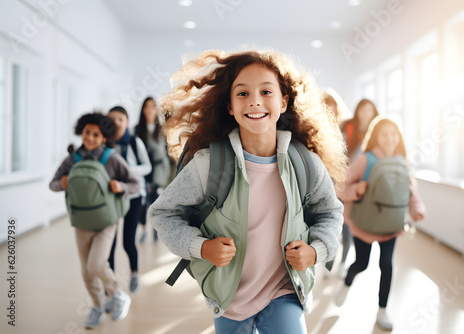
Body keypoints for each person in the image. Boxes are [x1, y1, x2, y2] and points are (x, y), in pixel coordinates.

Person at [148, 49, 347, 334]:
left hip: (285, 290)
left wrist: (317, 251)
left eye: (266, 91)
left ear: (283, 102)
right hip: (230, 297)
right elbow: (163, 214)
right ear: (229, 106)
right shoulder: (208, 166)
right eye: (242, 93)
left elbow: (330, 212)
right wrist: (202, 247)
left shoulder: (305, 164)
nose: (255, 100)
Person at [333, 116, 426, 331]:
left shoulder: (403, 161)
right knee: (362, 263)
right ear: (375, 137)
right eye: (384, 134)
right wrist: (356, 190)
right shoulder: (366, 160)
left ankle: (382, 309)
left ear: (399, 137)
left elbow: (412, 191)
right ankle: (347, 282)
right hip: (364, 225)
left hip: (391, 226)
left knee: (387, 265)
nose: (390, 139)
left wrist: (417, 210)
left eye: (393, 134)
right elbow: (340, 188)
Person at [49, 113, 138, 328]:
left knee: (96, 264)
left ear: (105, 137)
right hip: (80, 222)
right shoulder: (73, 159)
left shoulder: (112, 158)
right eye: (87, 132)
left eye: (95, 134)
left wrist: (122, 187)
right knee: (86, 270)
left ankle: (117, 293)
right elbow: (52, 184)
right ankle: (98, 307)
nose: (89, 137)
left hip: (106, 222)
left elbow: (135, 183)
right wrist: (61, 183)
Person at [107, 106, 152, 293]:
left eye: (121, 119)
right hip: (111, 198)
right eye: (112, 120)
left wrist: (128, 170)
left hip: (133, 196)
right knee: (109, 243)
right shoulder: (105, 144)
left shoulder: (135, 142)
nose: (117, 123)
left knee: (127, 241)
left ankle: (134, 273)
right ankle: (110, 286)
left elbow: (147, 167)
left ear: (127, 122)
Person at [337, 98, 379, 278]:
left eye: (370, 110)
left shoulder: (378, 132)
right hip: (341, 181)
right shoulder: (347, 127)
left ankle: (344, 262)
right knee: (340, 222)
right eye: (363, 109)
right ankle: (337, 260)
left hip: (362, 186)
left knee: (351, 225)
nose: (366, 114)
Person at [135, 97, 175, 243]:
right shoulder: (137, 130)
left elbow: (169, 153)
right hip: (144, 171)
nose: (150, 110)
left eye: (153, 106)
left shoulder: (162, 130)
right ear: (143, 109)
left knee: (156, 202)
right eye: (147, 106)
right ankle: (144, 228)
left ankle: (155, 231)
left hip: (160, 170)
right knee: (142, 202)